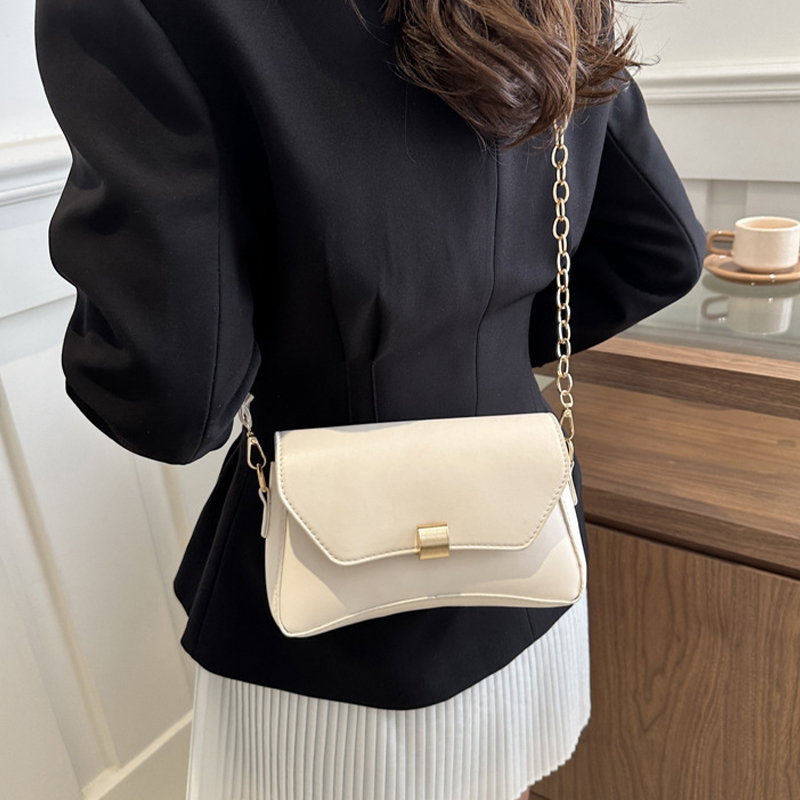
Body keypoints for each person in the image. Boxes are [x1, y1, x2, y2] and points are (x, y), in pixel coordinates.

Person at [35, 0, 705, 797]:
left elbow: (171, 400)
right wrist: (477, 351)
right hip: (528, 569)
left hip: (328, 631)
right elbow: (662, 249)